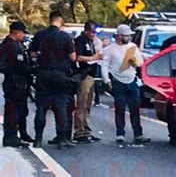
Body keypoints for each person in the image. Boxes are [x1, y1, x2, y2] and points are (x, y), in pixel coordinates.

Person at [30, 11, 77, 149]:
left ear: (49, 20)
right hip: (60, 75)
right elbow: (73, 57)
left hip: (43, 74)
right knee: (61, 108)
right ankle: (62, 139)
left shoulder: (39, 35)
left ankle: (38, 139)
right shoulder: (64, 36)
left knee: (41, 108)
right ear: (60, 20)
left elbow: (33, 54)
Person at [101, 24, 150, 143]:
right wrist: (107, 80)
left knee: (135, 107)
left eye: (129, 36)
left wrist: (135, 61)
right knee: (120, 107)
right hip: (118, 81)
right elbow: (105, 65)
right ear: (118, 36)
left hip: (131, 80)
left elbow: (140, 63)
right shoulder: (109, 49)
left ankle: (138, 133)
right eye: (126, 36)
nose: (128, 38)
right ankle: (120, 133)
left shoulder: (132, 47)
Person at [0, 22, 35, 147]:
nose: (24, 35)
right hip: (15, 82)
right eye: (22, 33)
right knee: (13, 110)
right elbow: (19, 66)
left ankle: (21, 133)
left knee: (21, 110)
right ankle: (11, 136)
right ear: (17, 32)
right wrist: (32, 69)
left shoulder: (11, 45)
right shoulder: (11, 46)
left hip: (17, 81)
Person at [73, 20, 103, 143]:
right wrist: (93, 58)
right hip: (83, 74)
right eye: (91, 31)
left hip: (91, 74)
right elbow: (78, 57)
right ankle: (79, 131)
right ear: (86, 30)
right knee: (81, 103)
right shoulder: (79, 41)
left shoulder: (92, 41)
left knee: (87, 104)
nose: (93, 34)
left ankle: (86, 129)